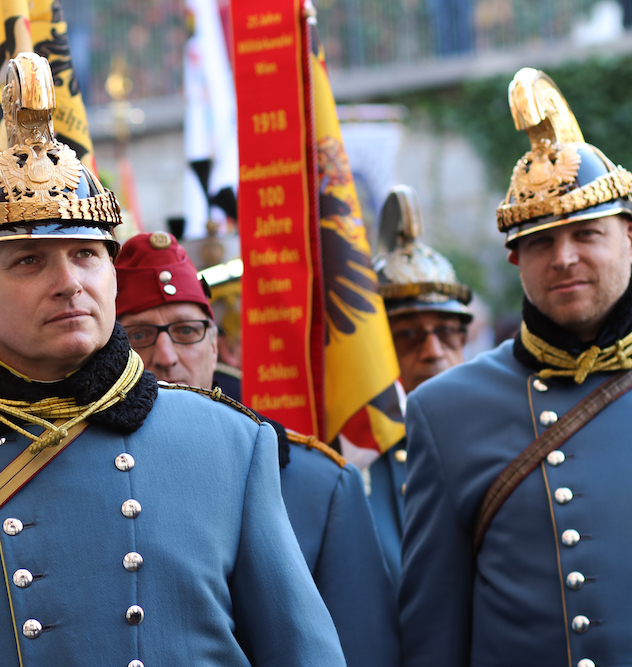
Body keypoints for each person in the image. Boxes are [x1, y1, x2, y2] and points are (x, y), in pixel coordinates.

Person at [0, 53, 345, 667]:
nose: (68, 282)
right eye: (29, 260)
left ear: (110, 273)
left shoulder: (230, 446)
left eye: (85, 253)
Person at [400, 67, 632, 667]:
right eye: (540, 242)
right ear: (515, 258)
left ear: (629, 236)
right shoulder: (445, 411)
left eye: (587, 233)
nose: (564, 258)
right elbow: (434, 632)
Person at [114, 231, 399, 667]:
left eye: (187, 331)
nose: (167, 356)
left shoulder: (321, 485)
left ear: (214, 345)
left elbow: (361, 649)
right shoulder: (83, 471)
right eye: (139, 335)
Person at [368, 184, 473, 578]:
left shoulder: (498, 431)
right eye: (409, 335)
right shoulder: (356, 450)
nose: (433, 351)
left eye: (447, 331)